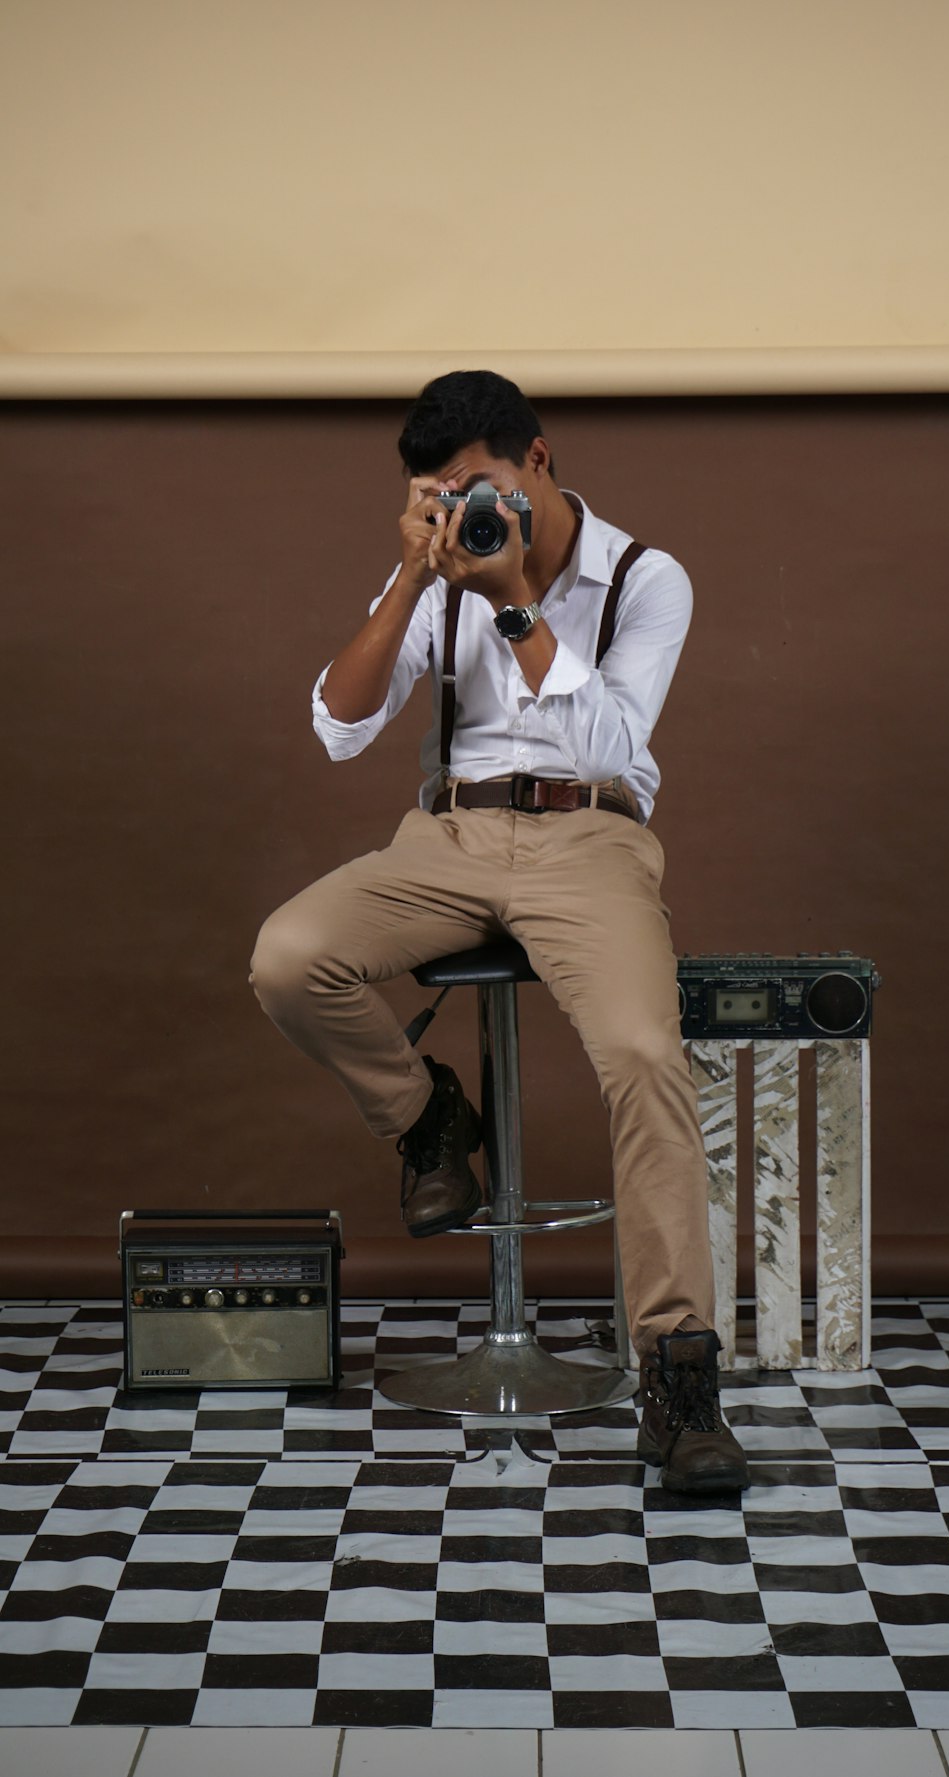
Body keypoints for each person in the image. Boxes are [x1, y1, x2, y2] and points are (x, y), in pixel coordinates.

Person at [250, 370, 749, 1496]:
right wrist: (415, 582)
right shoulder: (437, 565)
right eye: (439, 492)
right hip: (451, 839)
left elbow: (611, 748)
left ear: (536, 460)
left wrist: (514, 598)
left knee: (642, 1053)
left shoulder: (642, 576)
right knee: (289, 955)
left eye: (476, 485)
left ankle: (678, 1381)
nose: (465, 510)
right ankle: (430, 1122)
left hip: (589, 840)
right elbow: (337, 727)